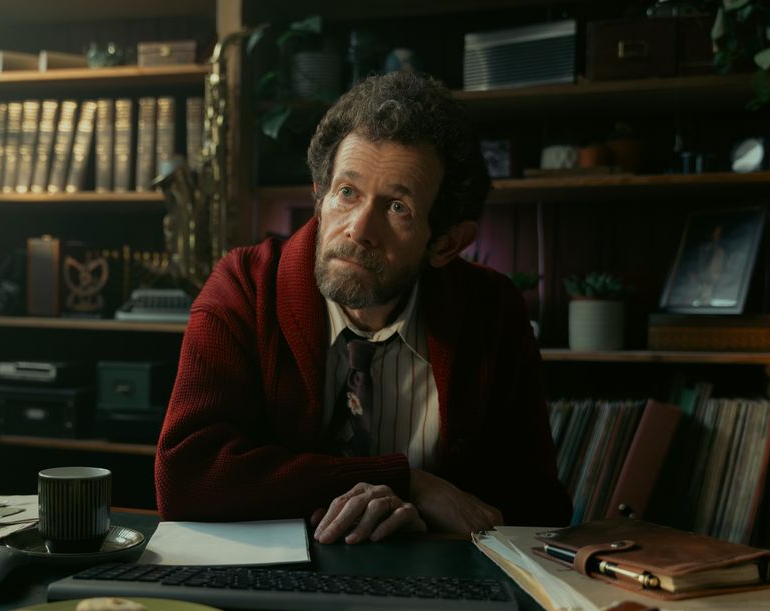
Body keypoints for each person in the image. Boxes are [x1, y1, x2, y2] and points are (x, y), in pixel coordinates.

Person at [155, 70, 571, 544]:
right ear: (319, 195)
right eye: (347, 193)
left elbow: (540, 509)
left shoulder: (492, 313)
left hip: (434, 578)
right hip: (275, 578)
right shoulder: (243, 289)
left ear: (446, 243)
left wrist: (430, 521)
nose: (359, 229)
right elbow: (186, 478)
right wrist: (408, 483)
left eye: (397, 207)